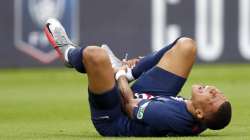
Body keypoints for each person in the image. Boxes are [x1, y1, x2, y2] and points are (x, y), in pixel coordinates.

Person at [44, 18, 232, 136]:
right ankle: (128, 70)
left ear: (199, 114)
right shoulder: (202, 114)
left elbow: (129, 105)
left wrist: (118, 75)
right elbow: (215, 117)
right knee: (186, 46)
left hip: (116, 115)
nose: (214, 90)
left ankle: (69, 54)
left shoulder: (167, 116)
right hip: (153, 95)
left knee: (96, 56)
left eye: (213, 96)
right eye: (219, 93)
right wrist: (130, 73)